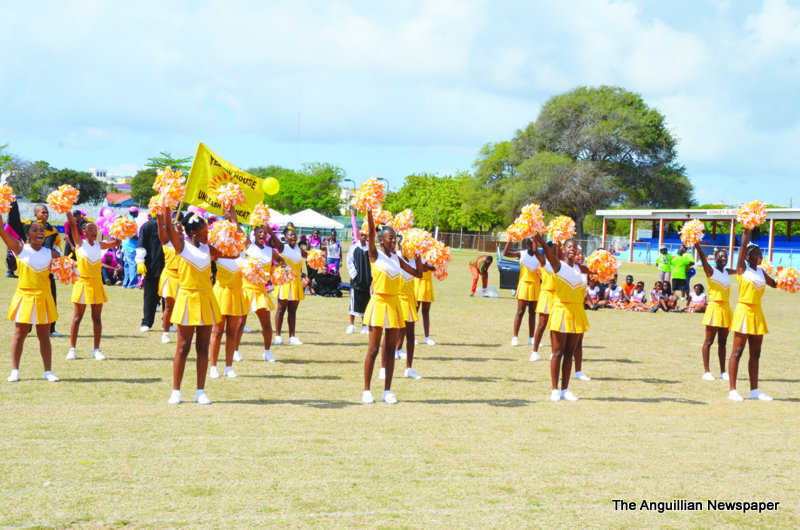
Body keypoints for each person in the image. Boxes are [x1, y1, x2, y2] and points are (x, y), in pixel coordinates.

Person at [159, 206, 237, 405]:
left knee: (202, 347)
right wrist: (167, 204)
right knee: (183, 347)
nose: (207, 235)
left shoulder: (208, 248)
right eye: (204, 232)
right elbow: (168, 225)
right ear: (192, 232)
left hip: (206, 300)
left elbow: (234, 255)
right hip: (187, 299)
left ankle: (200, 391)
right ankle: (176, 391)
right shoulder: (181, 246)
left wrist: (233, 225)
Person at [361, 210, 423, 404]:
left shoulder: (398, 258)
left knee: (390, 350)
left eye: (395, 238)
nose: (394, 241)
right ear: (381, 240)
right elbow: (371, 231)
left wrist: (418, 252)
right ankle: (366, 390)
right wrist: (370, 211)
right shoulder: (375, 255)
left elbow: (418, 274)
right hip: (378, 303)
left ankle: (387, 391)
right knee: (373, 349)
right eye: (390, 238)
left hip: (395, 304)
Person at [0, 214, 61, 383]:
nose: (39, 232)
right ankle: (15, 371)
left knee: (44, 336)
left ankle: (48, 371)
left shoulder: (51, 253)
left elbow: (67, 266)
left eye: (41, 230)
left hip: (43, 297)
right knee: (19, 335)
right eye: (35, 230)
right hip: (25, 297)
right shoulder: (20, 248)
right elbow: (2, 232)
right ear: (28, 235)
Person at [532, 233, 590, 401]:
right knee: (557, 353)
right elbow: (545, 251)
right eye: (569, 247)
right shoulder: (558, 265)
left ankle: (565, 389)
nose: (572, 249)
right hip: (561, 310)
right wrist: (538, 236)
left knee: (569, 353)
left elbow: (586, 289)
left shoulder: (583, 270)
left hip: (577, 312)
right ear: (563, 250)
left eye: (575, 247)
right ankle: (554, 389)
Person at [65, 212, 121, 361]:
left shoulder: (99, 245)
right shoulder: (79, 243)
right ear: (84, 232)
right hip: (82, 283)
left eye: (95, 229)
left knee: (97, 318)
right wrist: (70, 218)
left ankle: (96, 349)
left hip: (96, 283)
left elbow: (116, 243)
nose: (94, 232)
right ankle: (72, 349)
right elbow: (72, 226)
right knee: (77, 318)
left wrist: (119, 230)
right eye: (90, 229)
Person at [728, 229, 776, 402]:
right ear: (747, 257)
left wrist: (789, 279)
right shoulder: (742, 269)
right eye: (755, 254)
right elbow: (742, 247)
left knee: (756, 353)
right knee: (737, 352)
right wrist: (746, 230)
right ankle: (733, 390)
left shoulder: (762, 272)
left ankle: (754, 390)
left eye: (760, 254)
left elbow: (775, 284)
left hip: (757, 312)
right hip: (744, 311)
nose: (759, 256)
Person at [7, 201, 63, 337]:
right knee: (30, 299)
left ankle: (51, 328)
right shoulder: (28, 226)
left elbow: (57, 248)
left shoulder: (53, 230)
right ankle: (28, 327)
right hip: (32, 266)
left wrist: (60, 260)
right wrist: (12, 205)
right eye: (43, 212)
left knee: (50, 296)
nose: (45, 214)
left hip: (47, 267)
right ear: (35, 214)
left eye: (47, 212)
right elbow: (13, 225)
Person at [236, 224, 285, 363]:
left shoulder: (270, 251)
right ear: (254, 233)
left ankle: (267, 351)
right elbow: (238, 227)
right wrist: (231, 208)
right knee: (240, 323)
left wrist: (282, 266)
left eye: (265, 232)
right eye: (260, 232)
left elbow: (280, 259)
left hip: (260, 291)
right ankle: (235, 351)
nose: (262, 234)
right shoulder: (248, 246)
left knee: (266, 324)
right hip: (246, 288)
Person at [694, 243, 735, 381]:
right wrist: (696, 244)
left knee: (723, 342)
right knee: (709, 341)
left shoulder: (727, 272)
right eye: (721, 256)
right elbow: (702, 258)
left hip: (726, 309)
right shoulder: (710, 271)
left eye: (726, 257)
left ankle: (723, 371)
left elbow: (741, 269)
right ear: (715, 257)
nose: (724, 258)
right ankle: (707, 371)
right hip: (714, 308)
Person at [208, 238, 246, 379]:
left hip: (236, 294)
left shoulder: (243, 256)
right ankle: (213, 367)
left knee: (232, 333)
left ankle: (228, 367)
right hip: (221, 293)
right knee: (217, 332)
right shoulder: (218, 253)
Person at [273, 226, 308, 345]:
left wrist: (319, 255)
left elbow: (309, 257)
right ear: (285, 237)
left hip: (296, 283)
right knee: (281, 309)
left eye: (294, 235)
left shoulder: (299, 250)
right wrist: (266, 226)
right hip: (285, 282)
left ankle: (292, 336)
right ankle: (278, 336)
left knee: (293, 311)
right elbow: (273, 237)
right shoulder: (282, 247)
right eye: (290, 235)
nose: (293, 236)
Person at [503, 238, 541, 347]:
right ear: (525, 244)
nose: (530, 244)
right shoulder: (521, 254)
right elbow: (505, 253)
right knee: (520, 311)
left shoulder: (539, 255)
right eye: (527, 242)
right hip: (524, 285)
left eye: (533, 241)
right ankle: (515, 337)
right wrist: (510, 240)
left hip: (535, 285)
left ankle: (531, 338)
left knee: (533, 313)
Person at [155, 214, 183, 344]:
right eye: (178, 231)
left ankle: (183, 333)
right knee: (169, 306)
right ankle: (165, 332)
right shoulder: (167, 242)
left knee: (183, 307)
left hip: (184, 278)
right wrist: (159, 215)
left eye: (182, 231)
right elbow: (161, 227)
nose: (181, 233)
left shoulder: (186, 244)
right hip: (170, 276)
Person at [135, 213, 165, 332]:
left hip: (168, 267)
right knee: (150, 296)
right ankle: (147, 322)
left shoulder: (170, 226)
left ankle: (168, 323)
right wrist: (140, 261)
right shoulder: (147, 226)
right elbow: (141, 244)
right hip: (151, 266)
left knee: (168, 297)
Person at [532, 241, 557, 362]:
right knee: (542, 325)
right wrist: (535, 238)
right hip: (546, 295)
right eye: (551, 249)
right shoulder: (545, 262)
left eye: (556, 249)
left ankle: (554, 352)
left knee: (555, 327)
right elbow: (536, 251)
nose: (554, 251)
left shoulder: (560, 264)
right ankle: (534, 351)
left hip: (557, 297)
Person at [346, 228, 371, 334]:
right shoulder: (353, 248)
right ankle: (351, 325)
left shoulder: (369, 248)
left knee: (366, 303)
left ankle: (365, 325)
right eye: (361, 235)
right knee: (354, 302)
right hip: (357, 281)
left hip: (367, 280)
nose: (363, 237)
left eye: (365, 235)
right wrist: (355, 276)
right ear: (357, 236)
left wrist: (370, 277)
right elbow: (349, 262)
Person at [415, 255, 437, 346]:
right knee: (414, 312)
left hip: (427, 282)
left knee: (426, 312)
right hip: (417, 282)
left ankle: (427, 337)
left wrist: (428, 266)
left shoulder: (432, 253)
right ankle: (412, 337)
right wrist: (427, 266)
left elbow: (434, 268)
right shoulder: (416, 251)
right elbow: (419, 266)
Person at [121, 207, 140, 288]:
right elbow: (132, 235)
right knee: (132, 264)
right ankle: (132, 283)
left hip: (125, 244)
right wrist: (139, 239)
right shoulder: (132, 221)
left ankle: (126, 283)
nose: (138, 214)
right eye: (137, 212)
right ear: (134, 213)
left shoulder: (125, 219)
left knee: (127, 265)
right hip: (131, 245)